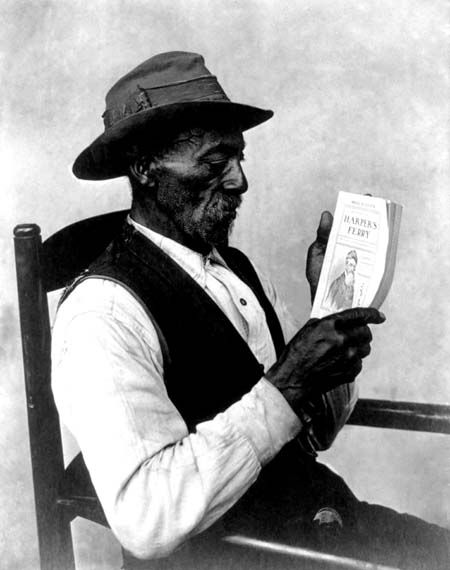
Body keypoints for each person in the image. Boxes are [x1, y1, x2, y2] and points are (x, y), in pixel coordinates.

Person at [52, 51, 449, 570]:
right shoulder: (101, 315)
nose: (240, 182)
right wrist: (285, 384)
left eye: (240, 159)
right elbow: (146, 521)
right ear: (145, 166)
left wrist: (334, 304)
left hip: (325, 525)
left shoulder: (235, 268)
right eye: (215, 165)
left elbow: (312, 435)